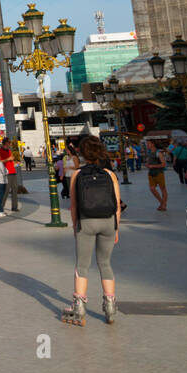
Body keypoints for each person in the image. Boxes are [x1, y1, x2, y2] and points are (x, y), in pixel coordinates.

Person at [61, 136, 122, 325]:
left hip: (86, 222)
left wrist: (75, 226)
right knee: (105, 263)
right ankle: (110, 306)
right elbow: (118, 206)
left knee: (82, 265)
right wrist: (116, 228)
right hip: (108, 222)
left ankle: (79, 306)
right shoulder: (110, 175)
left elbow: (73, 206)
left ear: (83, 154)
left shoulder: (77, 175)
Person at [146, 141, 168, 211]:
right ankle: (162, 202)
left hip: (159, 173)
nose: (147, 145)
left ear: (153, 144)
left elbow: (164, 164)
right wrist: (148, 165)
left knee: (163, 189)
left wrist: (153, 166)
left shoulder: (158, 153)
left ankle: (163, 205)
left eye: (148, 143)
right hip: (151, 173)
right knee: (152, 189)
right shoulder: (149, 153)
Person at [2, 146, 20, 212]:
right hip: (7, 174)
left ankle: (14, 207)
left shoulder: (10, 152)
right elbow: (0, 161)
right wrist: (8, 159)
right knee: (6, 190)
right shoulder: (2, 153)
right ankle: (1, 206)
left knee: (15, 190)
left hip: (13, 172)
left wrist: (16, 163)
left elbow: (11, 162)